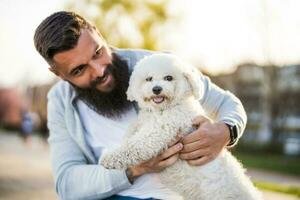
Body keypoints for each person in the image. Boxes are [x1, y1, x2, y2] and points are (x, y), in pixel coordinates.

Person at [34, 11, 247, 200]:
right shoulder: (60, 101)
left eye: (98, 52)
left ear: (98, 33)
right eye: (79, 70)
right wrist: (133, 170)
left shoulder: (157, 65)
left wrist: (226, 131)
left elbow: (228, 103)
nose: (99, 71)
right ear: (58, 73)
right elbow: (67, 184)